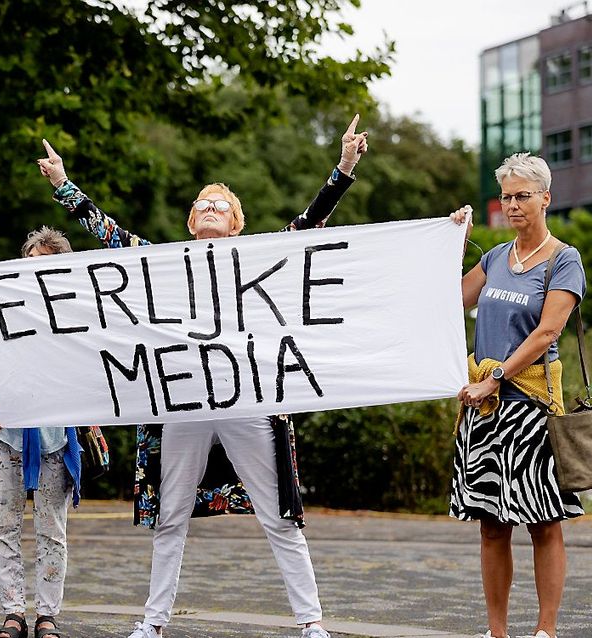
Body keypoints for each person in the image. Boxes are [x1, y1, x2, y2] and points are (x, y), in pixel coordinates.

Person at [35, 114, 369, 638]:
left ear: (236, 224)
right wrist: (61, 182)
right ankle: (153, 621)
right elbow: (105, 231)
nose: (209, 210)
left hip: (246, 398)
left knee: (279, 514)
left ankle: (311, 622)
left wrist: (344, 167)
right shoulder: (160, 263)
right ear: (191, 221)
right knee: (171, 514)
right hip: (185, 399)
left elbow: (310, 224)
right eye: (202, 205)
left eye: (221, 207)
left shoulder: (255, 257)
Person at [449, 153, 586, 638]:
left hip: (530, 408)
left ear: (546, 198)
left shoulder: (563, 259)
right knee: (491, 523)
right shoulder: (494, 258)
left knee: (543, 521)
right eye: (506, 197)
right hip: (484, 410)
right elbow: (446, 301)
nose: (512, 205)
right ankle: (497, 631)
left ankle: (545, 630)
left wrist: (497, 377)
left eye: (522, 196)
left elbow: (547, 332)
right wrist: (454, 244)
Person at [0, 227, 83, 638]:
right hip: (6, 435)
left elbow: (84, 375)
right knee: (3, 526)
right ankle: (13, 611)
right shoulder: (4, 308)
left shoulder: (78, 318)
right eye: (32, 262)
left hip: (55, 437)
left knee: (52, 528)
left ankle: (48, 613)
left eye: (48, 264)